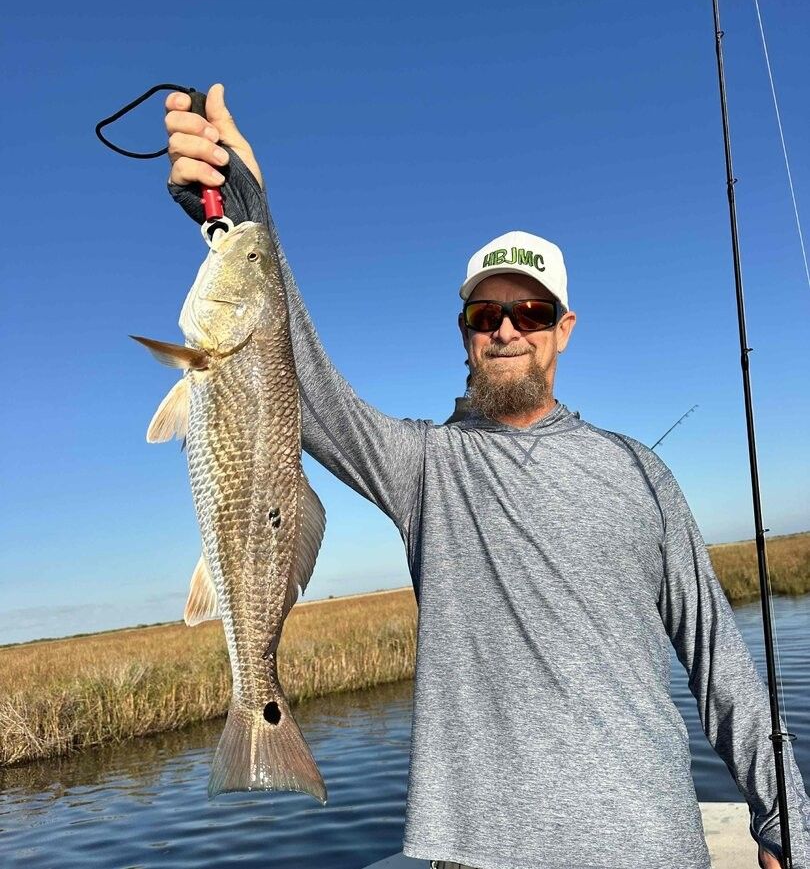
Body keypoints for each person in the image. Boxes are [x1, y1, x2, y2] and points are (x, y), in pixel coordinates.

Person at [165, 84, 810, 869]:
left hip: (651, 847)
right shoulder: (427, 466)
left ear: (563, 330)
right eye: (485, 314)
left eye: (532, 312)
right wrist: (246, 206)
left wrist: (787, 822)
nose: (508, 328)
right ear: (465, 334)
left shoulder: (643, 472)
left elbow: (720, 661)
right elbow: (306, 389)